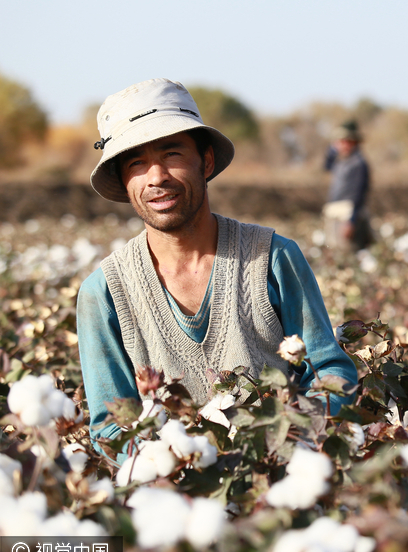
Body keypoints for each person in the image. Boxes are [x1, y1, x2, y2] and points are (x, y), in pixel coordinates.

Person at [77, 78, 357, 454]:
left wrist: (283, 435)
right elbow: (110, 429)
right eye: (136, 162)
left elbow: (329, 372)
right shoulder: (104, 293)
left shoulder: (272, 258)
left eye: (172, 154)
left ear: (206, 161)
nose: (156, 177)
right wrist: (178, 461)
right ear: (124, 180)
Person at [323, 119, 374, 251]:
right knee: (336, 251)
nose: (342, 145)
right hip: (335, 214)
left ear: (354, 142)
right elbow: (326, 166)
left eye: (346, 141)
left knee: (350, 251)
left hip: (348, 216)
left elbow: (359, 194)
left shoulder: (358, 164)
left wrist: (351, 221)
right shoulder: (341, 161)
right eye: (340, 141)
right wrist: (332, 149)